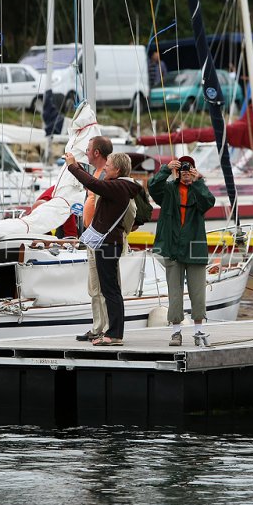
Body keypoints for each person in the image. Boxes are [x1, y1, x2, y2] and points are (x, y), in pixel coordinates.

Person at [66, 151, 142, 347]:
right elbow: (94, 182)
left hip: (108, 244)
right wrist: (78, 167)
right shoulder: (121, 185)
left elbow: (94, 184)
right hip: (108, 243)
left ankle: (115, 334)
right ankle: (112, 332)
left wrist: (73, 166)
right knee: (110, 289)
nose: (105, 167)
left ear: (117, 170)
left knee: (110, 290)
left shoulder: (118, 186)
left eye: (108, 165)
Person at [148, 155, 215, 347]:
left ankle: (198, 331)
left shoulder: (197, 189)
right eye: (183, 169)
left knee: (198, 292)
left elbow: (209, 201)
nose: (186, 172)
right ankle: (176, 333)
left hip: (195, 248)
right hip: (172, 248)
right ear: (178, 171)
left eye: (189, 168)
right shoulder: (169, 190)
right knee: (174, 293)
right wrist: (166, 169)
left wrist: (198, 180)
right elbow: (153, 187)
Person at [75, 136, 113, 343]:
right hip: (91, 235)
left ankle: (107, 327)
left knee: (104, 285)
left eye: (89, 149)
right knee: (94, 286)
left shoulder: (107, 175)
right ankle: (98, 326)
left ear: (97, 152)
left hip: (102, 237)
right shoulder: (97, 173)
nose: (87, 152)